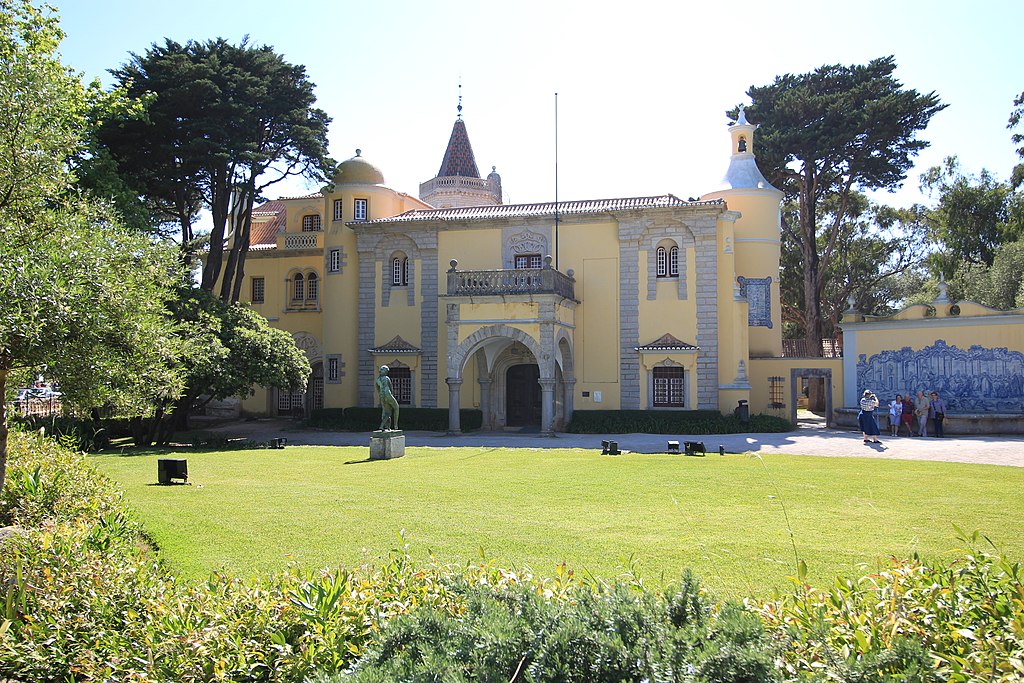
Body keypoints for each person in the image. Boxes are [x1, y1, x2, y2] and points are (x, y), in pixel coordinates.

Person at [376, 365, 400, 431]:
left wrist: (381, 395)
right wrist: (391, 395)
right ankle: (395, 426)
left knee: (386, 412)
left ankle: (382, 426)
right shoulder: (386, 378)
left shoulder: (377, 380)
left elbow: (378, 389)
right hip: (388, 394)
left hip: (382, 396)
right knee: (396, 408)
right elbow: (391, 388)